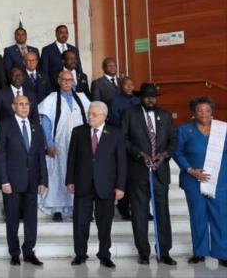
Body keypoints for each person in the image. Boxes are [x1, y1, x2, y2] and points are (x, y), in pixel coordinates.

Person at [66, 101, 126, 268]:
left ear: (104, 116)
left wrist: (120, 186)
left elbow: (121, 163)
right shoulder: (78, 132)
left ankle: (104, 254)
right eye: (89, 114)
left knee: (105, 223)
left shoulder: (115, 134)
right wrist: (69, 180)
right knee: (80, 222)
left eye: (94, 114)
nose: (90, 117)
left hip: (106, 185)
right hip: (82, 183)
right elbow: (72, 158)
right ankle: (80, 254)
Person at [122, 82, 177, 265]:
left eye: (153, 96)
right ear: (140, 97)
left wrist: (165, 155)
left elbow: (173, 140)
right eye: (147, 96)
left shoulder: (166, 115)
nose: (151, 100)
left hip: (160, 172)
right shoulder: (130, 114)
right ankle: (143, 252)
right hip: (139, 171)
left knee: (162, 212)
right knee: (139, 213)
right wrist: (140, 155)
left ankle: (164, 251)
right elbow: (124, 139)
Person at [174, 97, 227, 267]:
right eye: (199, 110)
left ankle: (222, 253)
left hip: (219, 182)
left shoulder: (223, 129)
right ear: (193, 113)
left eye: (207, 110)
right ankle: (199, 252)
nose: (203, 113)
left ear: (212, 113)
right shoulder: (184, 130)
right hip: (193, 181)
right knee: (198, 217)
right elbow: (177, 153)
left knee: (220, 218)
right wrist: (190, 170)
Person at [0, 95, 47, 266]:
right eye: (21, 104)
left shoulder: (37, 127)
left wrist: (43, 180)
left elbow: (40, 156)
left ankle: (29, 251)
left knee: (31, 219)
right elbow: (1, 155)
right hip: (12, 181)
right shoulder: (5, 126)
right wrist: (4, 181)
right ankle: (14, 253)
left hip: (32, 181)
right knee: (12, 219)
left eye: (27, 104)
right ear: (13, 106)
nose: (24, 107)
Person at [39, 70, 90, 221]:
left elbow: (90, 118)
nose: (67, 82)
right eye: (64, 80)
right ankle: (57, 209)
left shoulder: (81, 98)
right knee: (58, 174)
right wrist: (49, 143)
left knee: (78, 174)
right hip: (59, 144)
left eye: (70, 80)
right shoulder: (52, 98)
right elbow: (46, 121)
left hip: (79, 144)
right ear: (59, 81)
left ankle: (77, 208)